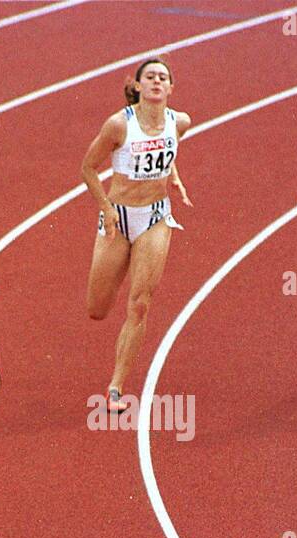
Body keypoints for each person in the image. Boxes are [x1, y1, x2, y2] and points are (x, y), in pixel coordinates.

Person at [81, 57, 192, 411]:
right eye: (150, 77)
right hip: (118, 219)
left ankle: (115, 387)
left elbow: (167, 152)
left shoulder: (180, 123)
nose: (157, 82)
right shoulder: (118, 125)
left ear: (171, 88)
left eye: (163, 77)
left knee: (140, 304)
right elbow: (87, 167)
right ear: (139, 87)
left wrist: (173, 176)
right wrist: (105, 208)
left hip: (155, 218)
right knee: (97, 309)